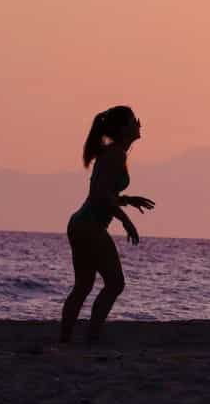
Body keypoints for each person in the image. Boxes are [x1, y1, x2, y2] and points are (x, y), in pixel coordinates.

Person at [61, 106, 155, 344]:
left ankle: (66, 340)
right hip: (90, 226)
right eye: (135, 121)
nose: (139, 124)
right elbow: (102, 196)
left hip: (81, 224)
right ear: (124, 129)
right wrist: (126, 221)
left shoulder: (114, 153)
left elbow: (103, 195)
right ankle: (90, 339)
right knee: (115, 283)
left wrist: (127, 200)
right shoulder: (115, 155)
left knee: (83, 286)